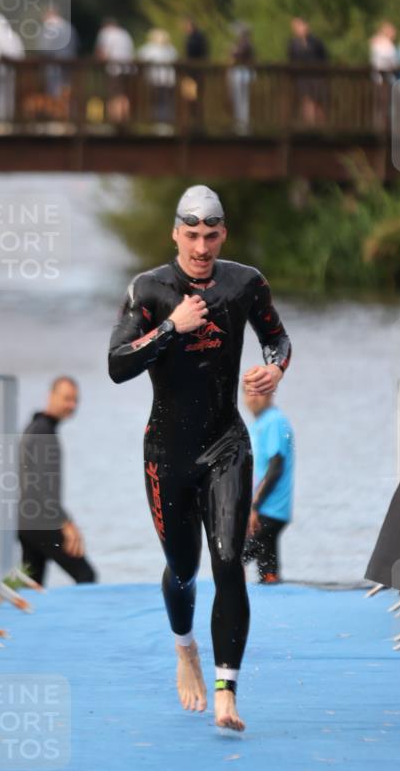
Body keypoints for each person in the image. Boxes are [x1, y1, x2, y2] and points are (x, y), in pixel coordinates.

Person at [108, 185, 291, 731]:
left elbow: (278, 340)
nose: (202, 247)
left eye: (211, 235)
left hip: (225, 443)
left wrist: (276, 368)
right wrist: (171, 328)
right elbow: (117, 364)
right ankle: (184, 647)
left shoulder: (245, 283)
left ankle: (227, 692)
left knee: (229, 560)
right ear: (175, 235)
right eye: (192, 235)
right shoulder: (150, 289)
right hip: (167, 452)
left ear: (223, 235)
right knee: (184, 569)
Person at [18, 377, 97, 586]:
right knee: (86, 576)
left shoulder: (35, 426)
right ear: (50, 397)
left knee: (32, 585)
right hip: (41, 520)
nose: (71, 405)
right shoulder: (44, 432)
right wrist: (67, 524)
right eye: (66, 399)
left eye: (75, 400)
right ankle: (85, 619)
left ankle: (27, 617)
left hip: (27, 521)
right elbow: (42, 487)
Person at [242, 383, 294, 583]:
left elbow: (276, 467)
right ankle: (272, 585)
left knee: (234, 557)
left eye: (259, 393)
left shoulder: (274, 421)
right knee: (268, 571)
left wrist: (255, 505)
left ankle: (228, 606)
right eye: (249, 393)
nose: (253, 398)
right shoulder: (260, 423)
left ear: (270, 394)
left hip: (269, 510)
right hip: (263, 509)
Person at [287, 17, 328, 125]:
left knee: (318, 103)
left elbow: (324, 57)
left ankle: (321, 127)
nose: (299, 29)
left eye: (300, 26)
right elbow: (291, 59)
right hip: (302, 77)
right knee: (306, 102)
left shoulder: (316, 41)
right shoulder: (293, 43)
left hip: (317, 76)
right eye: (296, 27)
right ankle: (310, 127)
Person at [94, 17, 135, 123]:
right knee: (124, 95)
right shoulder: (125, 34)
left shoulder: (105, 33)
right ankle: (124, 119)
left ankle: (114, 120)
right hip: (128, 69)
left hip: (113, 69)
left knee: (113, 95)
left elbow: (102, 53)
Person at [138, 28, 178, 126]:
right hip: (169, 81)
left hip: (155, 81)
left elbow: (139, 59)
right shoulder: (171, 49)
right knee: (166, 102)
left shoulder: (148, 49)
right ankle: (165, 122)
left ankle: (159, 122)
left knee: (157, 102)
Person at [227, 23, 255, 133]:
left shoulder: (246, 44)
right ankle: (240, 123)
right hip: (241, 73)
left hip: (243, 74)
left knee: (242, 100)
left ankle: (243, 124)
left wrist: (233, 51)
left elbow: (237, 56)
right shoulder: (244, 44)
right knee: (239, 100)